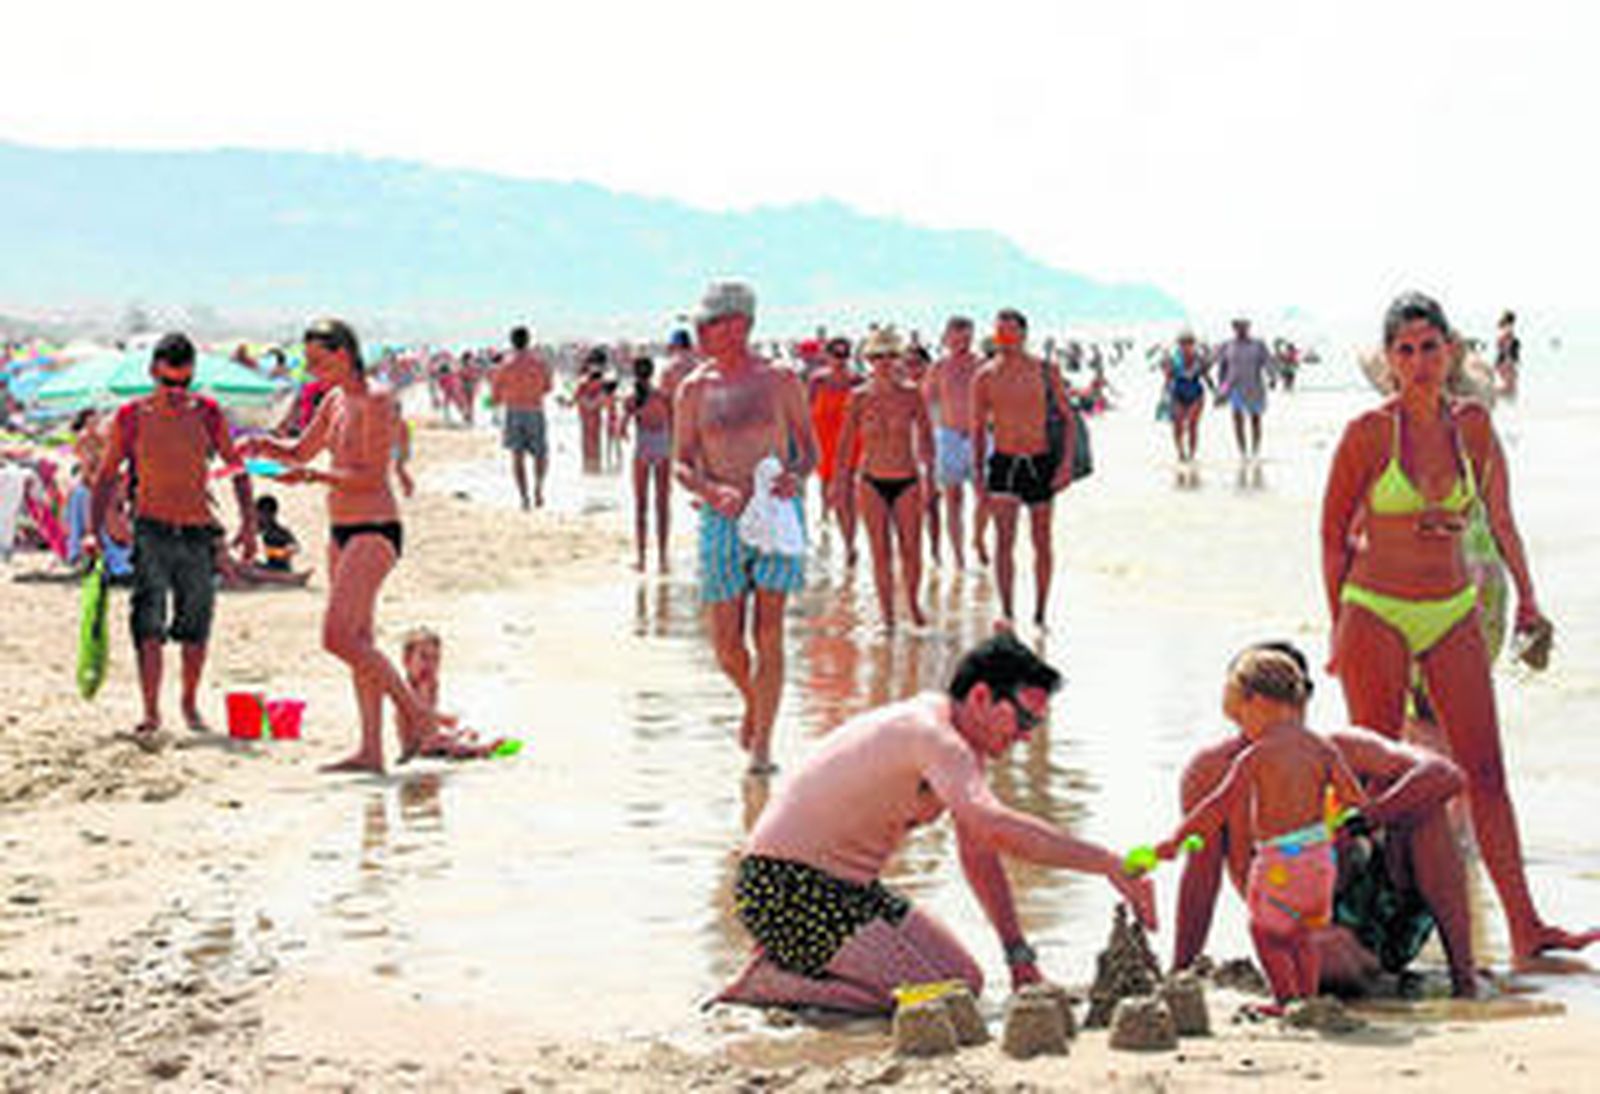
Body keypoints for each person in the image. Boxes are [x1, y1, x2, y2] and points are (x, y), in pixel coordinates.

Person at [1321, 291, 1593, 964]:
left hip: (1451, 609)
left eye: (1429, 347)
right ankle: (1365, 929)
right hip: (1376, 610)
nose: (1419, 362)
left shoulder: (1472, 425)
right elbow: (1331, 535)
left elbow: (1501, 519)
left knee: (1486, 771)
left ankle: (1527, 928)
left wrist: (1528, 596)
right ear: (1389, 361)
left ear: (1451, 352)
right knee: (1383, 780)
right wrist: (1337, 626)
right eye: (1405, 350)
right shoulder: (1367, 433)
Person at [714, 631, 1155, 1013]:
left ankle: (809, 966)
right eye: (1022, 719)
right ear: (981, 697)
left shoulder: (964, 752)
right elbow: (995, 827)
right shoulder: (935, 735)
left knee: (964, 983)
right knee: (931, 998)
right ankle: (773, 983)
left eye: (1035, 725)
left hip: (849, 890)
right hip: (780, 888)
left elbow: (980, 852)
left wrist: (1019, 958)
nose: (1025, 736)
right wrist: (1109, 863)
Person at [1171, 641, 1479, 999]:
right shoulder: (1210, 771)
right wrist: (1179, 971)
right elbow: (1200, 875)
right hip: (1303, 927)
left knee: (1427, 804)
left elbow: (1446, 775)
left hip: (1377, 911)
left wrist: (1364, 820)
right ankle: (1370, 977)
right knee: (1323, 955)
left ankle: (1465, 979)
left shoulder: (1339, 748)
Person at [239, 318, 436, 773]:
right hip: (340, 530)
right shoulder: (333, 400)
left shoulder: (378, 400)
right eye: (308, 363)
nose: (311, 371)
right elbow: (300, 452)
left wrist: (314, 477)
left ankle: (418, 716)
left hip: (375, 527)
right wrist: (264, 446)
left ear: (345, 354)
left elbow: (370, 475)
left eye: (318, 362)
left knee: (337, 637)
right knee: (359, 640)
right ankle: (371, 750)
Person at [1155, 647, 1368, 1010]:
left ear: (1258, 702)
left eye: (1242, 716)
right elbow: (1354, 799)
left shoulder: (1256, 755)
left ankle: (1285, 999)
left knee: (1264, 933)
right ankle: (1308, 996)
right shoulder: (1322, 748)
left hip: (1279, 860)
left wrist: (1176, 840)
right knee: (1302, 934)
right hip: (1319, 860)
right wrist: (1330, 820)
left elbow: (1219, 803)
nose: (1243, 728)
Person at [82, 333, 257, 744]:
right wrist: (96, 530)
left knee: (196, 625)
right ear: (153, 374)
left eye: (184, 383)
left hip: (198, 532)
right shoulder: (132, 416)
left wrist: (249, 524)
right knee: (148, 622)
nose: (177, 392)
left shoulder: (208, 413)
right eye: (168, 383)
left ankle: (190, 702)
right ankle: (150, 711)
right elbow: (106, 477)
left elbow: (237, 469)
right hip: (152, 530)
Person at [674, 281, 817, 776]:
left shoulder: (780, 381)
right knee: (726, 644)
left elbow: (809, 450)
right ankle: (755, 704)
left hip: (776, 516)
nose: (699, 330)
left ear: (739, 325)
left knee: (770, 631)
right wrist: (711, 491)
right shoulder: (694, 388)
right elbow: (681, 463)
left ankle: (763, 747)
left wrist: (796, 477)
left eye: (708, 322)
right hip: (721, 517)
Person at [969, 308, 1076, 627]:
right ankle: (1008, 611)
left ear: (1023, 334)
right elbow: (977, 430)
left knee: (1042, 540)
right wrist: (978, 476)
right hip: (1003, 463)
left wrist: (1066, 464)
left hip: (1039, 462)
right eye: (999, 332)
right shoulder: (985, 376)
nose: (1004, 338)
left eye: (1010, 331)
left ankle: (1041, 612)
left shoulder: (1046, 370)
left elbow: (1069, 420)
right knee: (1004, 541)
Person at [832, 328, 934, 630]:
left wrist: (930, 479)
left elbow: (927, 441)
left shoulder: (912, 395)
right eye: (878, 356)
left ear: (899, 358)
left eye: (890, 355)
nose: (884, 362)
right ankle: (888, 615)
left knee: (912, 550)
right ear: (869, 360)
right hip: (870, 480)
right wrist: (838, 485)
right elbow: (846, 445)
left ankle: (913, 604)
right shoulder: (859, 397)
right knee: (880, 552)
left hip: (907, 479)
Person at [927, 316, 986, 570]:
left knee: (986, 496)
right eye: (957, 336)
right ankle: (959, 557)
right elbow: (925, 402)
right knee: (953, 499)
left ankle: (978, 538)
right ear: (947, 337)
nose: (962, 342)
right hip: (949, 435)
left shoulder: (981, 365)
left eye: (967, 337)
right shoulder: (939, 367)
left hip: (978, 435)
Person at [488, 325, 554, 510]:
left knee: (517, 456)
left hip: (514, 410)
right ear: (528, 340)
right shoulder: (539, 363)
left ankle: (524, 497)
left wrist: (501, 398)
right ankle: (539, 488)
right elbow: (548, 388)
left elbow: (495, 396)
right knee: (541, 453)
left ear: (512, 342)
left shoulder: (505, 366)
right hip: (535, 409)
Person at [808, 337, 860, 566]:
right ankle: (825, 519)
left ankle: (849, 544)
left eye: (844, 355)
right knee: (825, 485)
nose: (840, 360)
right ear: (826, 356)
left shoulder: (857, 381)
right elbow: (805, 411)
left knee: (845, 494)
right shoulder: (817, 381)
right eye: (836, 355)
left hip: (851, 444)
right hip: (823, 442)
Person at [620, 356, 673, 572]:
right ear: (652, 373)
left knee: (641, 506)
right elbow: (675, 422)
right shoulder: (663, 396)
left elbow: (621, 430)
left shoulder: (631, 399)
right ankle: (662, 557)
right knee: (662, 506)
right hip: (662, 446)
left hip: (642, 447)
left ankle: (641, 559)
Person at [1215, 316, 1275, 460]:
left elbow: (1267, 362)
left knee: (1255, 419)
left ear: (1248, 327)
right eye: (1237, 326)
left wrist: (1272, 377)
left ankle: (1255, 451)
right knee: (1237, 418)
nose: (1241, 329)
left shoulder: (1258, 345)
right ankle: (1242, 453)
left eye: (1244, 326)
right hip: (1234, 386)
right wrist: (1221, 389)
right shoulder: (1227, 346)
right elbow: (1222, 368)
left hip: (1254, 386)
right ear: (1234, 328)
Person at [1164, 330, 1212, 466]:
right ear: (1178, 345)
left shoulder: (1199, 359)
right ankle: (1180, 453)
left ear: (1194, 344)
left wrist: (1216, 392)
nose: (1186, 347)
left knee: (1192, 424)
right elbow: (1168, 377)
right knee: (1177, 424)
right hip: (1178, 393)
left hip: (1196, 393)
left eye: (1189, 343)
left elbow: (1206, 376)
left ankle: (1191, 455)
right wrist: (1165, 396)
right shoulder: (1173, 359)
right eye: (1183, 344)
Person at [573, 354, 609, 473]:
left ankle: (590, 466)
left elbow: (578, 394)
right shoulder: (590, 375)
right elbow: (579, 393)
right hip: (590, 410)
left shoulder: (588, 375)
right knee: (592, 438)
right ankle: (592, 466)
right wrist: (593, 403)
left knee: (590, 438)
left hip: (589, 410)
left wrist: (590, 402)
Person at [1494, 310, 1521, 401]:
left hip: (1504, 361)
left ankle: (1492, 393)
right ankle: (1490, 392)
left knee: (1510, 390)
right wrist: (1508, 361)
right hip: (1506, 361)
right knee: (1510, 390)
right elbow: (1507, 347)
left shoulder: (1505, 331)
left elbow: (1504, 346)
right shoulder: (1508, 331)